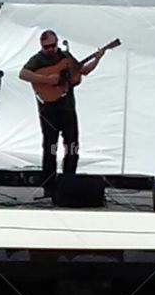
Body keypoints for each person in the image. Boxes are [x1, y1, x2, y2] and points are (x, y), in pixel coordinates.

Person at [19, 30, 105, 197]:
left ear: (57, 42)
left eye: (52, 45)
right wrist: (46, 80)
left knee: (72, 145)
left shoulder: (66, 56)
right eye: (46, 47)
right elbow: (23, 74)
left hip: (68, 108)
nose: (50, 49)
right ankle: (49, 186)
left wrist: (98, 58)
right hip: (48, 109)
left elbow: (83, 71)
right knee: (50, 147)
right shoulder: (38, 59)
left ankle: (68, 183)